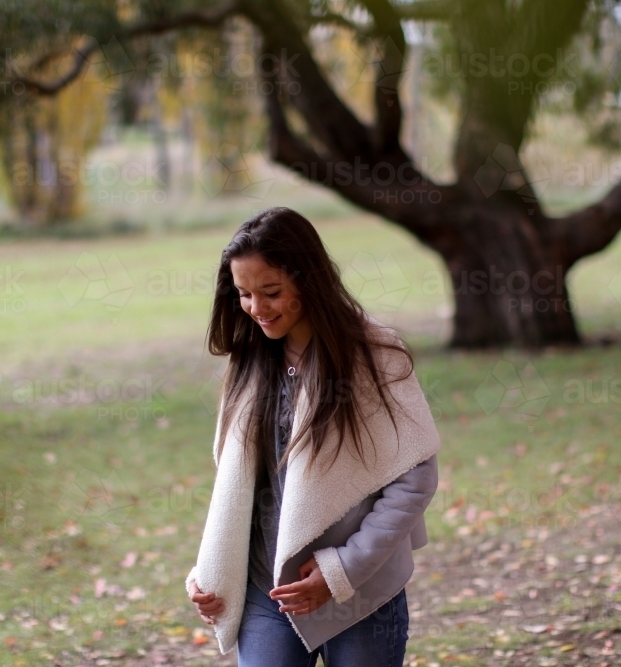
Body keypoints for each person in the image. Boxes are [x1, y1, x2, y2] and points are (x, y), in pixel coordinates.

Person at [184, 207, 440, 666]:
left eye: (271, 292)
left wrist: (342, 570)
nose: (256, 309)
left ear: (308, 280)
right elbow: (238, 487)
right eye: (243, 294)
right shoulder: (248, 362)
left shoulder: (373, 355)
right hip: (268, 595)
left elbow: (415, 477)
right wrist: (210, 571)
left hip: (362, 595)